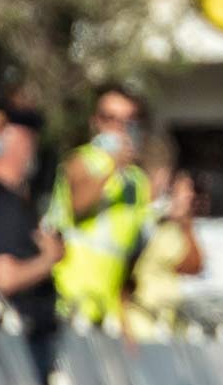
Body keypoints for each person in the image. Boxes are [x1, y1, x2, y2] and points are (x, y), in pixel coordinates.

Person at [45, 84, 152, 326]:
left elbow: (131, 255)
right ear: (96, 121)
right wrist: (112, 166)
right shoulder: (82, 160)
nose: (118, 128)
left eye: (128, 121)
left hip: (106, 308)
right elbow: (79, 203)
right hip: (69, 300)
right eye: (110, 118)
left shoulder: (137, 181)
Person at [0, 93, 64, 384]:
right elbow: (5, 278)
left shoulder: (20, 200)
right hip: (13, 348)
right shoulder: (1, 202)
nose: (30, 146)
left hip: (26, 342)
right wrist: (49, 258)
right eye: (24, 136)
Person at [126, 134, 205, 339]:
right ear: (164, 175)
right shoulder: (141, 215)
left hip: (164, 322)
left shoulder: (170, 224)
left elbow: (193, 265)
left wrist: (185, 222)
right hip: (139, 321)